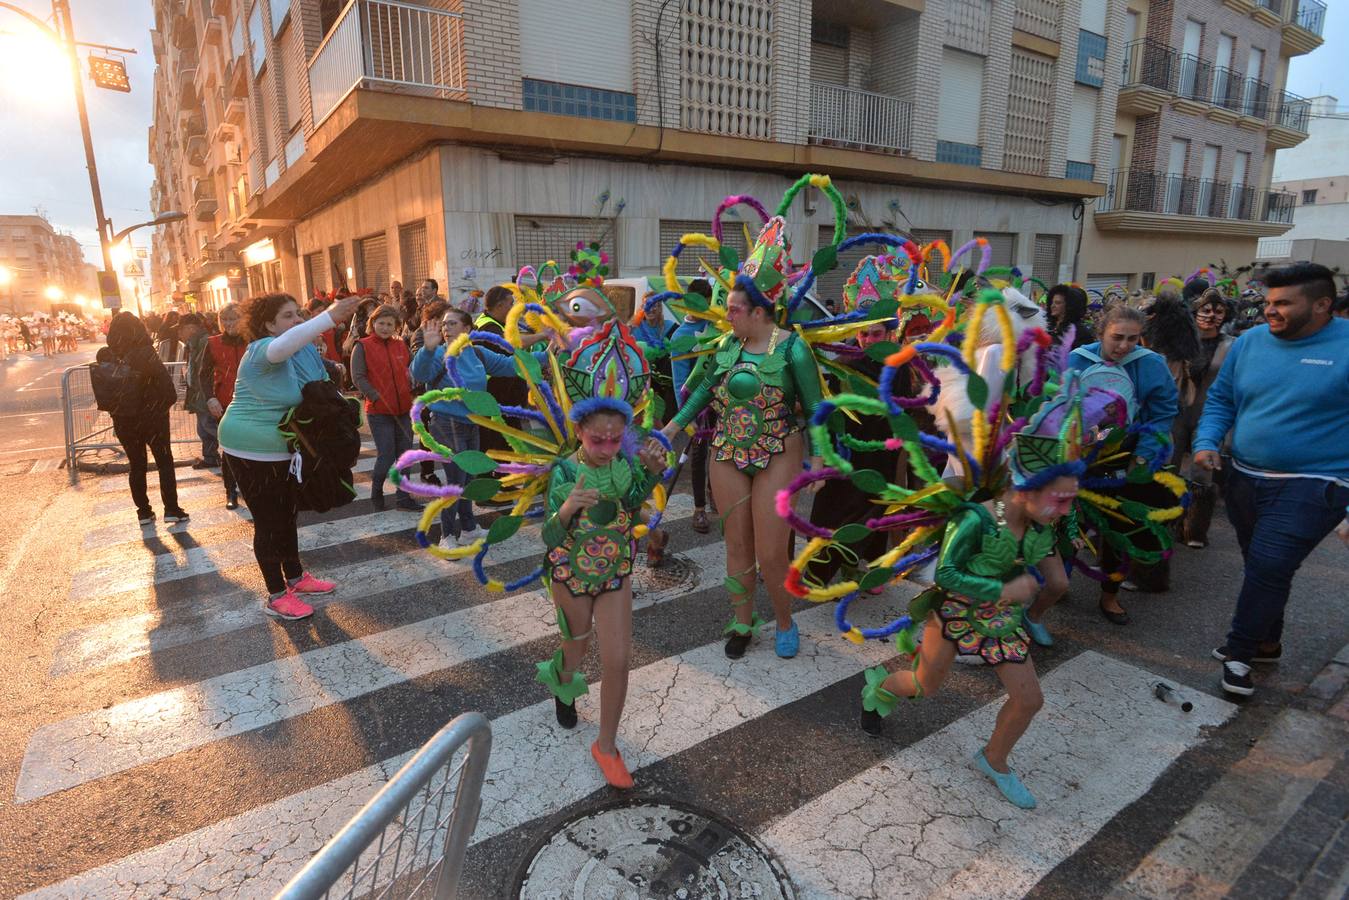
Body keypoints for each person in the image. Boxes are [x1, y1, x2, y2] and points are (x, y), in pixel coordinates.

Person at [859, 429, 1082, 810]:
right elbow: (945, 574)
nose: (1064, 510)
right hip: (954, 614)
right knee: (922, 685)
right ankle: (878, 690)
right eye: (1059, 501)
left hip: (1001, 623)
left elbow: (1046, 564)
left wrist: (1063, 543)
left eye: (1069, 503)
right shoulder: (975, 519)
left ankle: (994, 759)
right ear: (1026, 488)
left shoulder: (1040, 527)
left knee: (1029, 700)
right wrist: (1002, 590)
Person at [1194, 263, 1349, 698]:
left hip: (1314, 483)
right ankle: (1266, 641)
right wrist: (1207, 440)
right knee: (1263, 566)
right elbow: (1222, 398)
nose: (1270, 311)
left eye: (1283, 303)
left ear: (1322, 305)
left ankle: (1240, 653)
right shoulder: (1251, 342)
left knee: (1269, 564)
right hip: (1242, 477)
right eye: (1267, 302)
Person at [660, 284, 824, 660]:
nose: (727, 315)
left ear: (759, 311)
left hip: (780, 448)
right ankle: (742, 622)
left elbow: (815, 405)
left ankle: (785, 621)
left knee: (770, 552)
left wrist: (818, 458)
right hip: (728, 449)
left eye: (734, 309)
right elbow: (704, 389)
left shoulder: (792, 348)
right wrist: (672, 428)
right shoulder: (726, 346)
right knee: (736, 545)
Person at [538, 334, 668, 789]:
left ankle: (607, 746)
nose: (609, 448)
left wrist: (649, 473)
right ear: (579, 432)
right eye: (599, 440)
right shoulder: (565, 472)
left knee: (617, 659)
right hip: (571, 574)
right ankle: (563, 680)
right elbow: (548, 536)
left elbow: (631, 504)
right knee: (576, 648)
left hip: (614, 571)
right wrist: (567, 508)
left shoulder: (623, 463)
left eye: (616, 440)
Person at [218, 291, 362, 620]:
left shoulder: (297, 354)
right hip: (248, 445)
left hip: (280, 445)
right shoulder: (260, 351)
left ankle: (296, 578)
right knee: (269, 522)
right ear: (268, 324)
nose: (297, 320)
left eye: (298, 314)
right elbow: (282, 345)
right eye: (288, 316)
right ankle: (275, 594)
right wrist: (329, 317)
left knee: (287, 513)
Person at [1067, 304, 1179, 624]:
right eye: (1117, 337)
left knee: (1119, 529)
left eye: (1133, 339)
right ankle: (1057, 584)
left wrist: (1143, 456)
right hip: (1079, 456)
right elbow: (1057, 406)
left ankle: (1110, 596)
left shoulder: (1151, 364)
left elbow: (1162, 415)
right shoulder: (1077, 359)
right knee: (1065, 523)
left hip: (1127, 457)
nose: (1125, 346)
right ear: (1101, 331)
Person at [412, 308, 520, 546]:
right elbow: (418, 373)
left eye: (452, 324)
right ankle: (447, 535)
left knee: (469, 480)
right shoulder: (438, 353)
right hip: (446, 424)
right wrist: (427, 349)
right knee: (455, 480)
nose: (446, 328)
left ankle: (469, 528)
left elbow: (510, 364)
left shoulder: (477, 354)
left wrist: (547, 353)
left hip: (473, 423)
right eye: (444, 324)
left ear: (467, 329)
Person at [101, 312, 188, 526]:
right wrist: (161, 406)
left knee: (137, 465)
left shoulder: (108, 356)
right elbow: (168, 388)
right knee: (164, 463)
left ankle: (144, 512)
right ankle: (171, 508)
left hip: (124, 420)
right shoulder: (145, 352)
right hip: (153, 418)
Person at [1172, 289, 1235, 548]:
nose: (1211, 316)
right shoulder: (1180, 341)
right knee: (1168, 466)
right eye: (1205, 310)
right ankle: (1166, 520)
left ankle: (1194, 529)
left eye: (1218, 311)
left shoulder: (1232, 345)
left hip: (1209, 414)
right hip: (1177, 412)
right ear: (1194, 312)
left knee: (1203, 473)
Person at [351, 305, 420, 512]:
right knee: (386, 455)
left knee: (406, 455)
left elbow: (411, 370)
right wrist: (375, 396)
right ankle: (377, 491)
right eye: (381, 323)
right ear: (373, 323)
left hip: (403, 409)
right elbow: (358, 377)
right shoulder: (362, 346)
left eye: (390, 324)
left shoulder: (401, 346)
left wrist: (413, 388)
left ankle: (403, 497)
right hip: (379, 412)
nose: (385, 327)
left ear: (396, 327)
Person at [670, 279, 715, 534]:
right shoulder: (680, 336)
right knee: (698, 455)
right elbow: (680, 380)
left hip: (721, 401)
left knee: (723, 454)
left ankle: (714, 491)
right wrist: (686, 415)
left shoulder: (716, 327)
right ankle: (699, 509)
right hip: (697, 408)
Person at [201, 302, 247, 508]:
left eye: (233, 319)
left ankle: (250, 486)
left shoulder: (253, 340)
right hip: (225, 402)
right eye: (225, 319)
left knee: (251, 445)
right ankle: (231, 490)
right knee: (229, 448)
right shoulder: (213, 343)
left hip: (252, 401)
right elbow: (203, 375)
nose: (228, 323)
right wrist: (210, 397)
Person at [178, 313, 220, 470]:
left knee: (210, 426)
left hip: (204, 393)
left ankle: (235, 454)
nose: (179, 334)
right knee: (203, 428)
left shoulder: (204, 342)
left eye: (181, 330)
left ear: (190, 328)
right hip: (198, 392)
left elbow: (204, 371)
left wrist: (206, 394)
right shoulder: (194, 343)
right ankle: (210, 457)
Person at [1046, 283, 1096, 350]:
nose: (1052, 306)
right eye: (1052, 302)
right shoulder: (1047, 325)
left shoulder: (1080, 332)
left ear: (1068, 306)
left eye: (1057, 303)